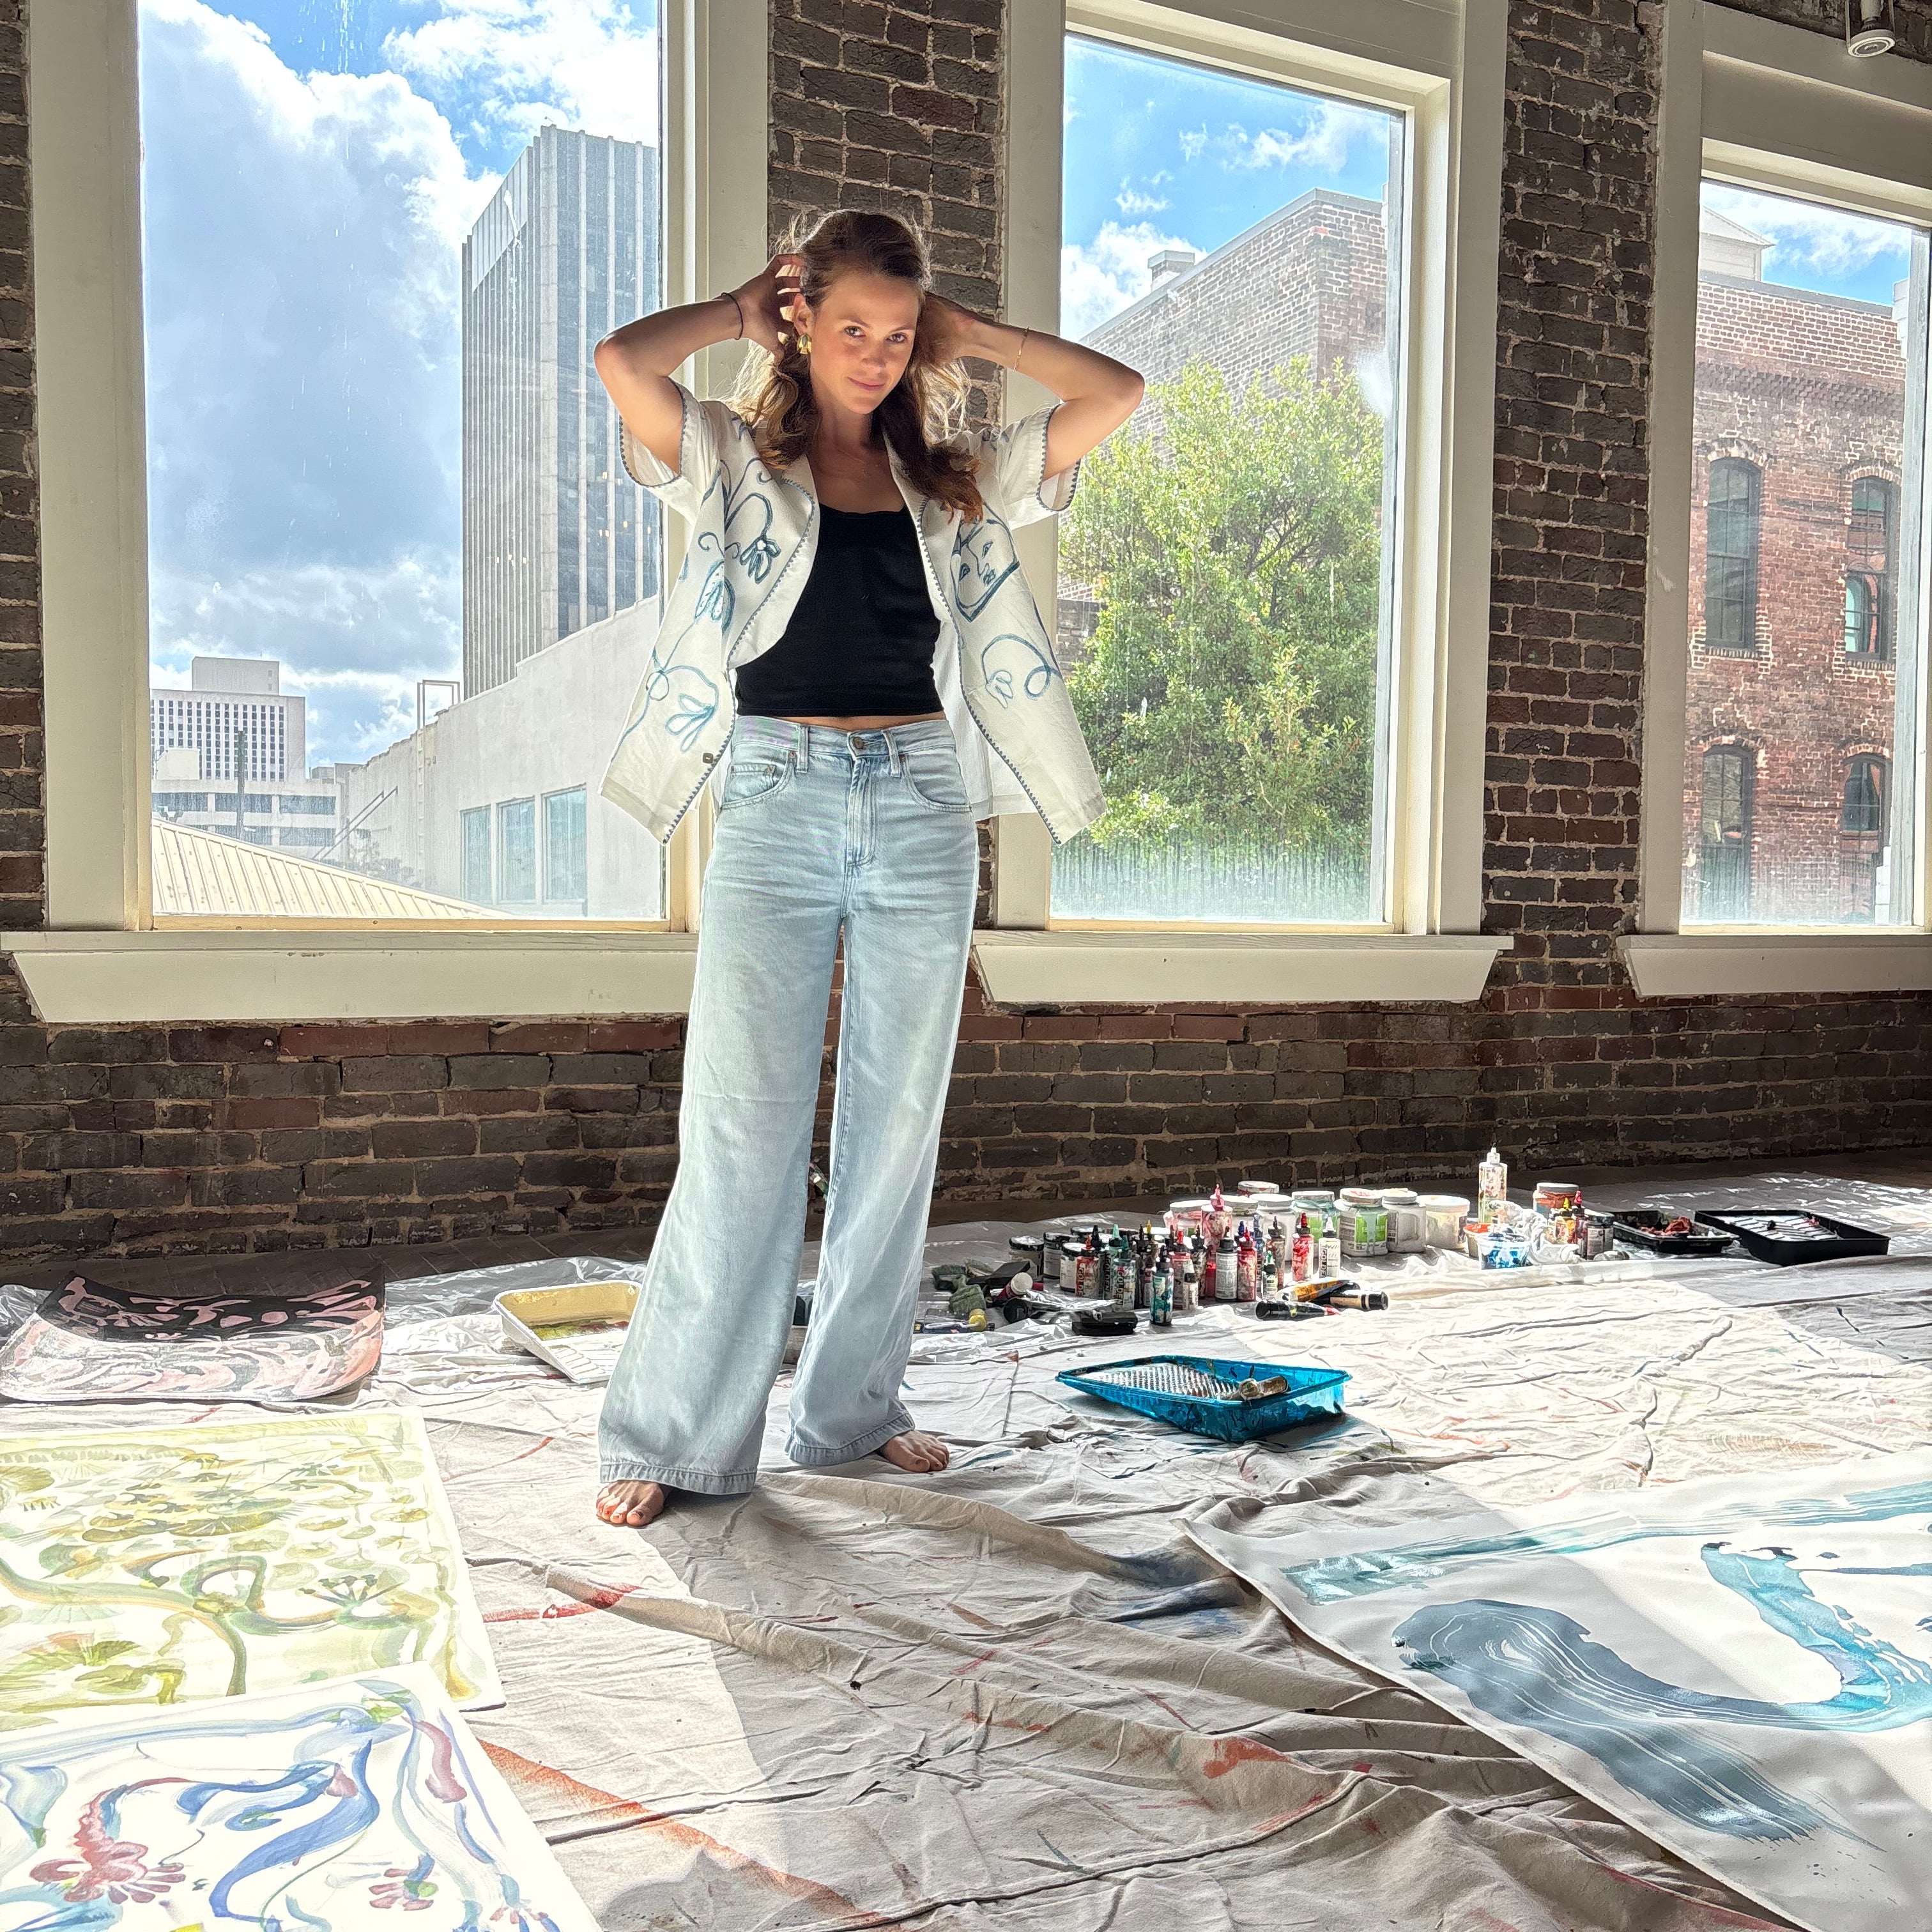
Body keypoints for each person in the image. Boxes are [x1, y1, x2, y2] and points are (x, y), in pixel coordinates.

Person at [590, 208, 1144, 1528]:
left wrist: (975, 334)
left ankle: (851, 1413)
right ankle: (674, 1434)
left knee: (895, 1127)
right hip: (774, 796)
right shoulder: (732, 454)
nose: (876, 355)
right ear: (802, 323)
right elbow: (620, 363)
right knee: (741, 1125)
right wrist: (738, 311)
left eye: (898, 335)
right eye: (851, 328)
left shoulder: (952, 476)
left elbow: (1116, 394)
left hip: (919, 796)